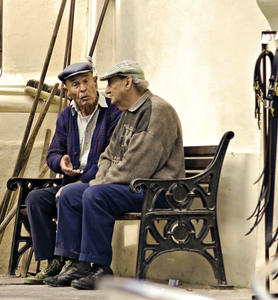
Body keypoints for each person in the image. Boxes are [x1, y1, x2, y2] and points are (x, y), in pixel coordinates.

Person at [44, 60, 185, 290]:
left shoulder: (157, 111)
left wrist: (97, 186)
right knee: (70, 194)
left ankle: (100, 268)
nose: (106, 90)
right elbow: (107, 156)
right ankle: (77, 263)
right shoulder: (128, 113)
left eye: (111, 83)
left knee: (95, 195)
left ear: (128, 82)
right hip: (129, 186)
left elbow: (136, 167)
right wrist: (97, 183)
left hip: (156, 190)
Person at [24, 61, 121, 284]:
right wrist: (61, 162)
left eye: (86, 81)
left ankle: (73, 261)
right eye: (75, 85)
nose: (83, 89)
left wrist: (81, 182)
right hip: (72, 183)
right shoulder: (67, 116)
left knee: (68, 195)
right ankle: (54, 262)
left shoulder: (113, 113)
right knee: (35, 199)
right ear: (67, 91)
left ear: (95, 82)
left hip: (100, 182)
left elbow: (110, 157)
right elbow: (53, 153)